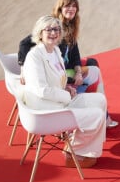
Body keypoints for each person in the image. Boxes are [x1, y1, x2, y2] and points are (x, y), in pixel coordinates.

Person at [18, 0, 118, 128]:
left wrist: (78, 71)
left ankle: (94, 108)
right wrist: (23, 69)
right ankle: (100, 115)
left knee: (93, 63)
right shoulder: (52, 25)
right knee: (94, 72)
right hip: (57, 71)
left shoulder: (71, 25)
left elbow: (75, 53)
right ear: (60, 8)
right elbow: (24, 44)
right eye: (67, 6)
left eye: (74, 6)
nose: (71, 9)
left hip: (67, 65)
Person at [22, 15, 107, 168]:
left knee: (100, 100)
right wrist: (66, 94)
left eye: (56, 29)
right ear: (40, 33)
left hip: (60, 99)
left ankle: (83, 148)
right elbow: (42, 90)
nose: (53, 33)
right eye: (48, 29)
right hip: (47, 109)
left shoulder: (54, 51)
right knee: (97, 115)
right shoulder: (35, 56)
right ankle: (74, 153)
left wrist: (66, 87)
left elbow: (57, 79)